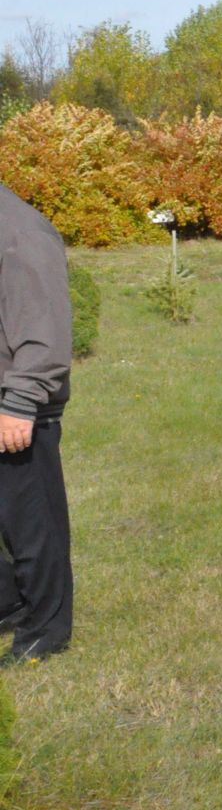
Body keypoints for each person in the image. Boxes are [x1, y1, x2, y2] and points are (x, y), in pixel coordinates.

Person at [0, 182, 76, 662]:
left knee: (34, 528)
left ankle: (46, 631)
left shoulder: (21, 231)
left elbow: (43, 328)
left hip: (14, 405)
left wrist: (19, 402)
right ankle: (9, 601)